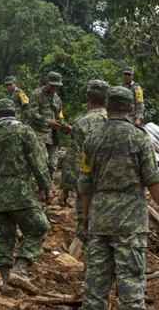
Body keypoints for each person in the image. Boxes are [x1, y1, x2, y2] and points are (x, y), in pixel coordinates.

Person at [79, 86, 159, 310]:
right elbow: (153, 180)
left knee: (95, 289)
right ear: (130, 107)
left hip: (100, 219)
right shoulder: (139, 138)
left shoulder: (92, 139)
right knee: (131, 288)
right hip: (130, 221)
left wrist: (84, 218)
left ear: (108, 106)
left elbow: (84, 184)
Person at [0, 98, 51, 288]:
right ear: (14, 112)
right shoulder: (24, 131)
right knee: (39, 227)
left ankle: (6, 281)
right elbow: (38, 162)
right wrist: (45, 186)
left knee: (3, 236)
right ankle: (20, 269)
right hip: (20, 192)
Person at [60, 80, 108, 248]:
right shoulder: (119, 122)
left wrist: (66, 188)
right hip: (115, 189)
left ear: (88, 98)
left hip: (89, 187)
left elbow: (74, 163)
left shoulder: (82, 124)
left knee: (88, 231)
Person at [29, 71, 71, 176]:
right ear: (47, 83)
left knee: (53, 164)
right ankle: (43, 189)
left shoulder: (57, 99)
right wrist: (47, 121)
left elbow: (59, 117)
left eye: (57, 86)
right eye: (52, 86)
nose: (54, 89)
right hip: (39, 133)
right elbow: (32, 114)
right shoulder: (36, 94)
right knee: (42, 162)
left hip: (53, 135)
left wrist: (66, 126)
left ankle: (49, 185)